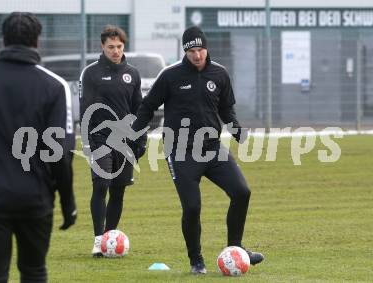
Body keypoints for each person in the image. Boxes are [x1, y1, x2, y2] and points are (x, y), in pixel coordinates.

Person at [131, 26, 264, 274]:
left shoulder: (220, 74)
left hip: (212, 149)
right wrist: (134, 135)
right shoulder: (170, 76)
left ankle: (235, 250)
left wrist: (237, 130)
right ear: (185, 51)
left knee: (242, 192)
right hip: (180, 151)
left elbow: (226, 110)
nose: (197, 55)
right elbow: (147, 107)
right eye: (192, 50)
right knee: (192, 207)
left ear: (207, 48)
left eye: (201, 49)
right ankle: (196, 261)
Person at [0, 12, 77, 282]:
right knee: (33, 272)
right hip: (34, 199)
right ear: (37, 41)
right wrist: (67, 201)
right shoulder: (54, 86)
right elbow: (60, 153)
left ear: (3, 40)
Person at [79, 25, 145, 257]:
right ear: (102, 47)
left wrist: (141, 139)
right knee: (101, 185)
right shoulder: (91, 73)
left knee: (118, 191)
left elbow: (139, 109)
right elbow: (84, 109)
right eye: (110, 47)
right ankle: (99, 240)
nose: (115, 51)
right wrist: (86, 142)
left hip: (125, 141)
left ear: (123, 46)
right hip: (99, 139)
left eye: (118, 46)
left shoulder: (133, 74)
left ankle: (110, 238)